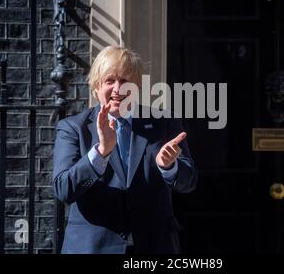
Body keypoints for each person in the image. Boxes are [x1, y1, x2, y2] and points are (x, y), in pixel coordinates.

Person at [52, 46, 197, 254]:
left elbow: (189, 182)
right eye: (110, 80)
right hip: (93, 248)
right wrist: (100, 152)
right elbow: (63, 189)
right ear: (96, 87)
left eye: (126, 81)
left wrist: (170, 166)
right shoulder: (73, 128)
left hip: (153, 245)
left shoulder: (164, 122)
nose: (118, 89)